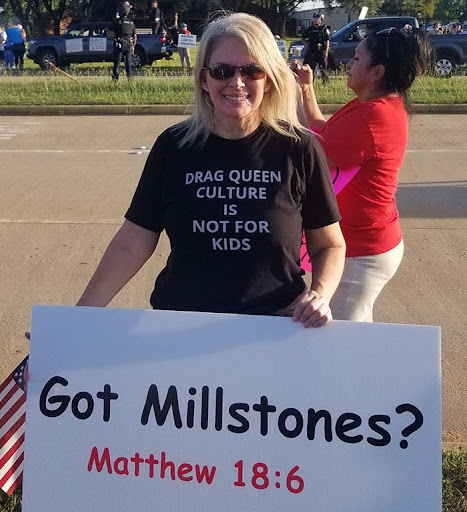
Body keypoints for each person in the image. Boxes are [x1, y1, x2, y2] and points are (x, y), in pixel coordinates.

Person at [76, 12, 346, 328]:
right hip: (182, 326)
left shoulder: (298, 148)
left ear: (269, 79)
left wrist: (320, 295)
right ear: (204, 80)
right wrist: (78, 319)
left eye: (251, 70)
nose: (236, 82)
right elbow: (133, 241)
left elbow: (328, 243)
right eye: (221, 71)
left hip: (274, 329)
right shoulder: (174, 146)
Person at [295, 26, 432, 322]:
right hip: (366, 245)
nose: (349, 64)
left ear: (376, 72)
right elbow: (321, 130)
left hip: (361, 254)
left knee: (345, 342)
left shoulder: (374, 117)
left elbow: (312, 156)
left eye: (357, 58)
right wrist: (304, 88)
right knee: (354, 330)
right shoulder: (373, 106)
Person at [301, 13, 330, 84]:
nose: (315, 20)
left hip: (320, 50)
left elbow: (327, 41)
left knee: (323, 67)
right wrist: (306, 44)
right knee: (310, 67)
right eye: (314, 19)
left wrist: (326, 51)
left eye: (317, 19)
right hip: (311, 50)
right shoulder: (310, 29)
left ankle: (325, 82)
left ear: (321, 20)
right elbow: (302, 37)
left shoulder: (324, 29)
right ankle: (310, 82)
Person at [111, 1, 137, 80]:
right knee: (128, 64)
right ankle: (130, 80)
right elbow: (135, 36)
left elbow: (112, 33)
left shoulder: (117, 22)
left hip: (119, 45)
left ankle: (115, 80)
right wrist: (133, 46)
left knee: (117, 64)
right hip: (128, 45)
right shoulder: (131, 23)